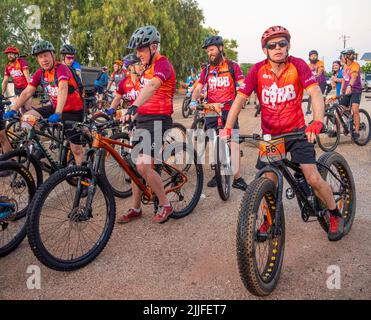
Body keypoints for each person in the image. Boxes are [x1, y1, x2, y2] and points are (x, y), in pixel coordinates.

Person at [224, 26, 345, 241]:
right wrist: (228, 127)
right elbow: (240, 98)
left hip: (298, 132)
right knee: (268, 180)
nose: (278, 48)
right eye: (272, 45)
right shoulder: (257, 71)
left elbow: (315, 92)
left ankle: (335, 213)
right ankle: (270, 220)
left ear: (288, 46)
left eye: (282, 44)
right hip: (271, 136)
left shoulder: (298, 65)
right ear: (265, 50)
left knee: (313, 177)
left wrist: (317, 121)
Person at [117, 25, 176, 224]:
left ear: (153, 47)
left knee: (142, 165)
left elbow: (152, 86)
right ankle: (136, 208)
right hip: (142, 120)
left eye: (141, 49)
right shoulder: (146, 68)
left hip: (159, 119)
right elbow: (139, 92)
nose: (138, 54)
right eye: (136, 50)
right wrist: (127, 112)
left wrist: (133, 106)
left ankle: (166, 204)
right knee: (135, 167)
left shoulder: (162, 64)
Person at [3, 40, 85, 166]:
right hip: (55, 107)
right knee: (26, 118)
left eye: (46, 55)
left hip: (73, 111)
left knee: (77, 150)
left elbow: (63, 88)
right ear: (37, 59)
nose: (44, 59)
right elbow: (26, 92)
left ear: (53, 55)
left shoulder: (62, 69)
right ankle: (38, 146)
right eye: (40, 57)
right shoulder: (40, 73)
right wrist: (13, 109)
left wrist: (58, 113)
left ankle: (83, 178)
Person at [190, 35, 248, 190]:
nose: (210, 53)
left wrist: (243, 98)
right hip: (211, 110)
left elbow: (243, 84)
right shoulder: (207, 69)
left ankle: (237, 178)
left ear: (220, 48)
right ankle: (218, 174)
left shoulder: (232, 66)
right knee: (215, 142)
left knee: (233, 142)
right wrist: (193, 101)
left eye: (212, 49)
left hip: (229, 110)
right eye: (208, 51)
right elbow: (198, 87)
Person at [1, 45, 32, 156]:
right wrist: (2, 94)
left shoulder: (22, 62)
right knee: (19, 110)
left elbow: (27, 76)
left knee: (27, 109)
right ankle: (24, 129)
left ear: (16, 55)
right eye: (8, 54)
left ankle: (32, 132)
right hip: (18, 90)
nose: (9, 55)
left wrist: (31, 89)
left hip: (27, 88)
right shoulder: (8, 67)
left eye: (11, 53)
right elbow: (5, 81)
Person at [340, 48, 363, 140]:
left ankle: (356, 131)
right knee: (340, 110)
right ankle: (343, 128)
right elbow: (344, 79)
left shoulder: (355, 65)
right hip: (346, 91)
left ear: (347, 57)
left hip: (356, 90)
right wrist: (342, 89)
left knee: (355, 109)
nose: (341, 57)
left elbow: (353, 77)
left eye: (342, 56)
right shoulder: (344, 66)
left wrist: (349, 85)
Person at [306, 50, 327, 115]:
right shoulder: (308, 65)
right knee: (311, 96)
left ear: (317, 56)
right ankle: (309, 109)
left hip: (321, 83)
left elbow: (320, 71)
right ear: (309, 57)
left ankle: (324, 109)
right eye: (312, 56)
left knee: (320, 97)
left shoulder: (320, 62)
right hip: (313, 84)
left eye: (315, 55)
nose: (313, 57)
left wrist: (316, 76)